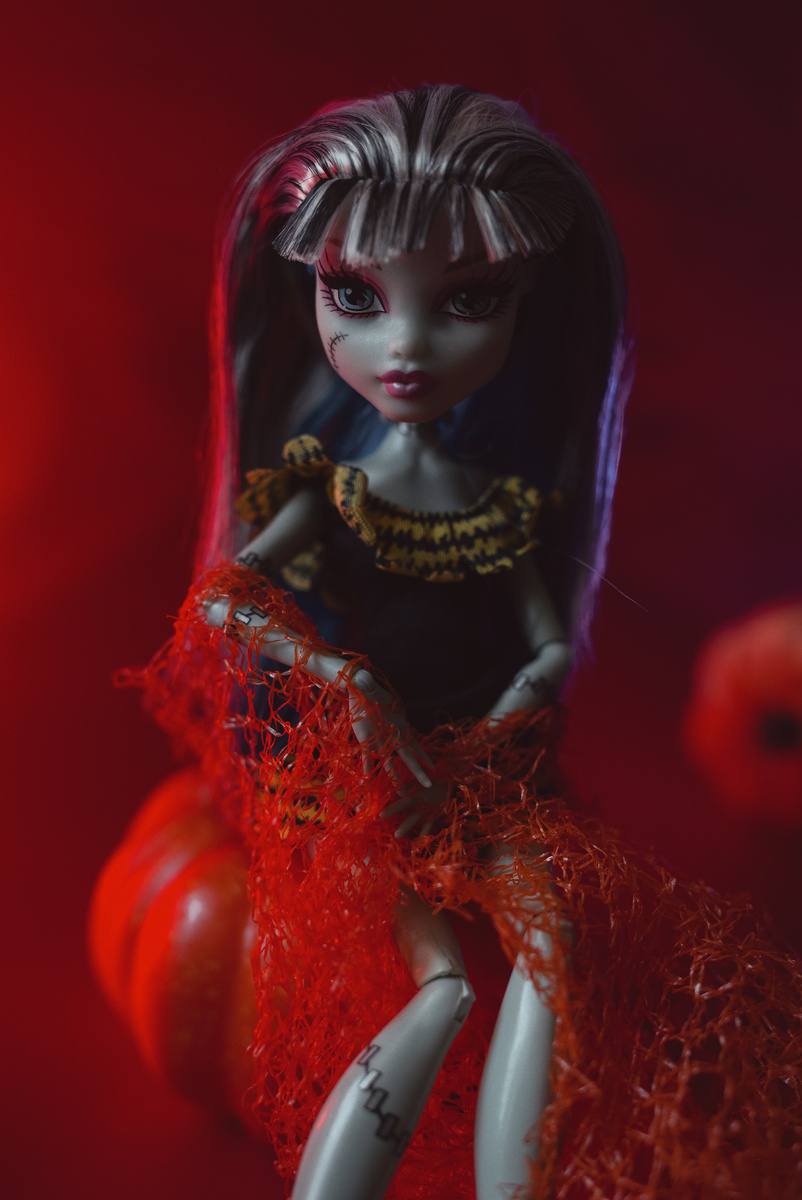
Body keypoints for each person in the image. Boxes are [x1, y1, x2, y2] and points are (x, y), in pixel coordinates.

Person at [123, 84, 802, 1200]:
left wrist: (502, 727)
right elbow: (223, 602)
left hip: (486, 790)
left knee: (552, 946)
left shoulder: (507, 512)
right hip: (370, 797)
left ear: (528, 306)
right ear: (308, 296)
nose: (404, 344)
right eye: (355, 295)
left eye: (468, 300)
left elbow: (545, 648)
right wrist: (337, 676)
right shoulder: (330, 495)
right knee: (438, 985)